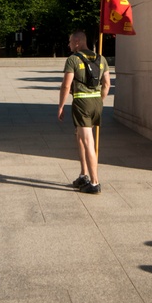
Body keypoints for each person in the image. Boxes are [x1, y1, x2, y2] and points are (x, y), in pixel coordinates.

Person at [57, 30, 111, 194]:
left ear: (78, 41)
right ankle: (83, 174)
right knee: (79, 136)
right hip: (96, 102)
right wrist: (99, 101)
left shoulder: (72, 60)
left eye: (71, 42)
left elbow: (66, 85)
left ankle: (94, 183)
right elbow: (107, 84)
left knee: (88, 141)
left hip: (82, 102)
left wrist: (60, 106)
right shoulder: (101, 59)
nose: (69, 45)